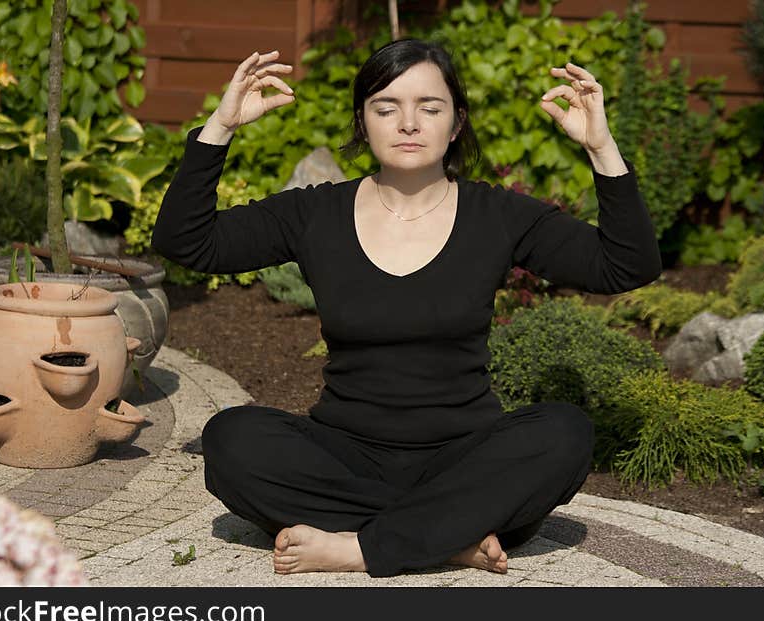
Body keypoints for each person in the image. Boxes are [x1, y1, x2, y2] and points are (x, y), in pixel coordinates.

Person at [152, 39, 661, 578]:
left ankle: (363, 548)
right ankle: (445, 538)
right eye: (386, 107)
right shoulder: (316, 213)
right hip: (344, 457)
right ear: (363, 122)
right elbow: (187, 241)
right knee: (232, 440)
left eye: (430, 107)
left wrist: (602, 148)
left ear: (456, 123)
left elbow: (624, 266)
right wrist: (221, 127)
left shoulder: (498, 214)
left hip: (466, 458)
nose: (408, 123)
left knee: (564, 433)